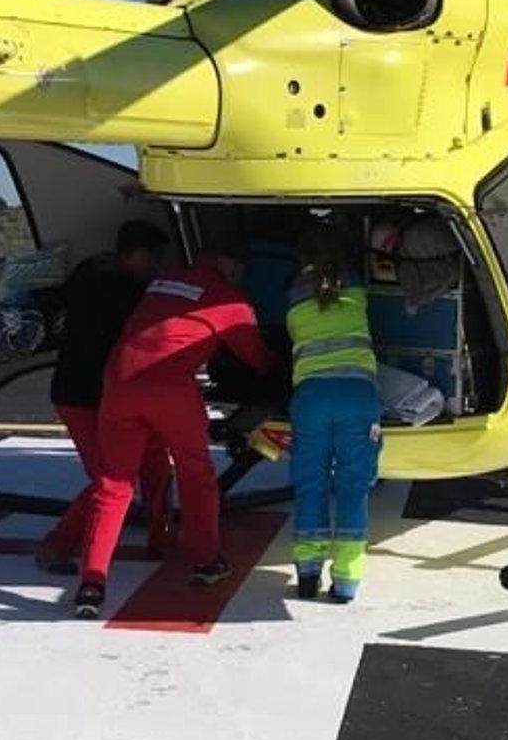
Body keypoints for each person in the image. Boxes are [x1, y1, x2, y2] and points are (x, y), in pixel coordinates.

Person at [72, 245, 274, 618]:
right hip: (170, 389)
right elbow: (257, 359)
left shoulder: (165, 281)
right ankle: (205, 560)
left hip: (118, 381)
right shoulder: (230, 301)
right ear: (231, 267)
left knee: (113, 485)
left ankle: (91, 583)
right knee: (195, 473)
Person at [35, 220, 174, 575]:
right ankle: (57, 546)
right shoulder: (128, 292)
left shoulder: (89, 270)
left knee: (149, 465)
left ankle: (161, 538)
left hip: (85, 392)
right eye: (155, 258)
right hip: (89, 397)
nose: (158, 266)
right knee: (111, 481)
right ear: (139, 254)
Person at [285, 221, 381, 603]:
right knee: (353, 487)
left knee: (310, 483)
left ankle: (308, 577)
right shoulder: (356, 287)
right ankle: (345, 583)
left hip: (310, 397)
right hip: (358, 395)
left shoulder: (292, 294)